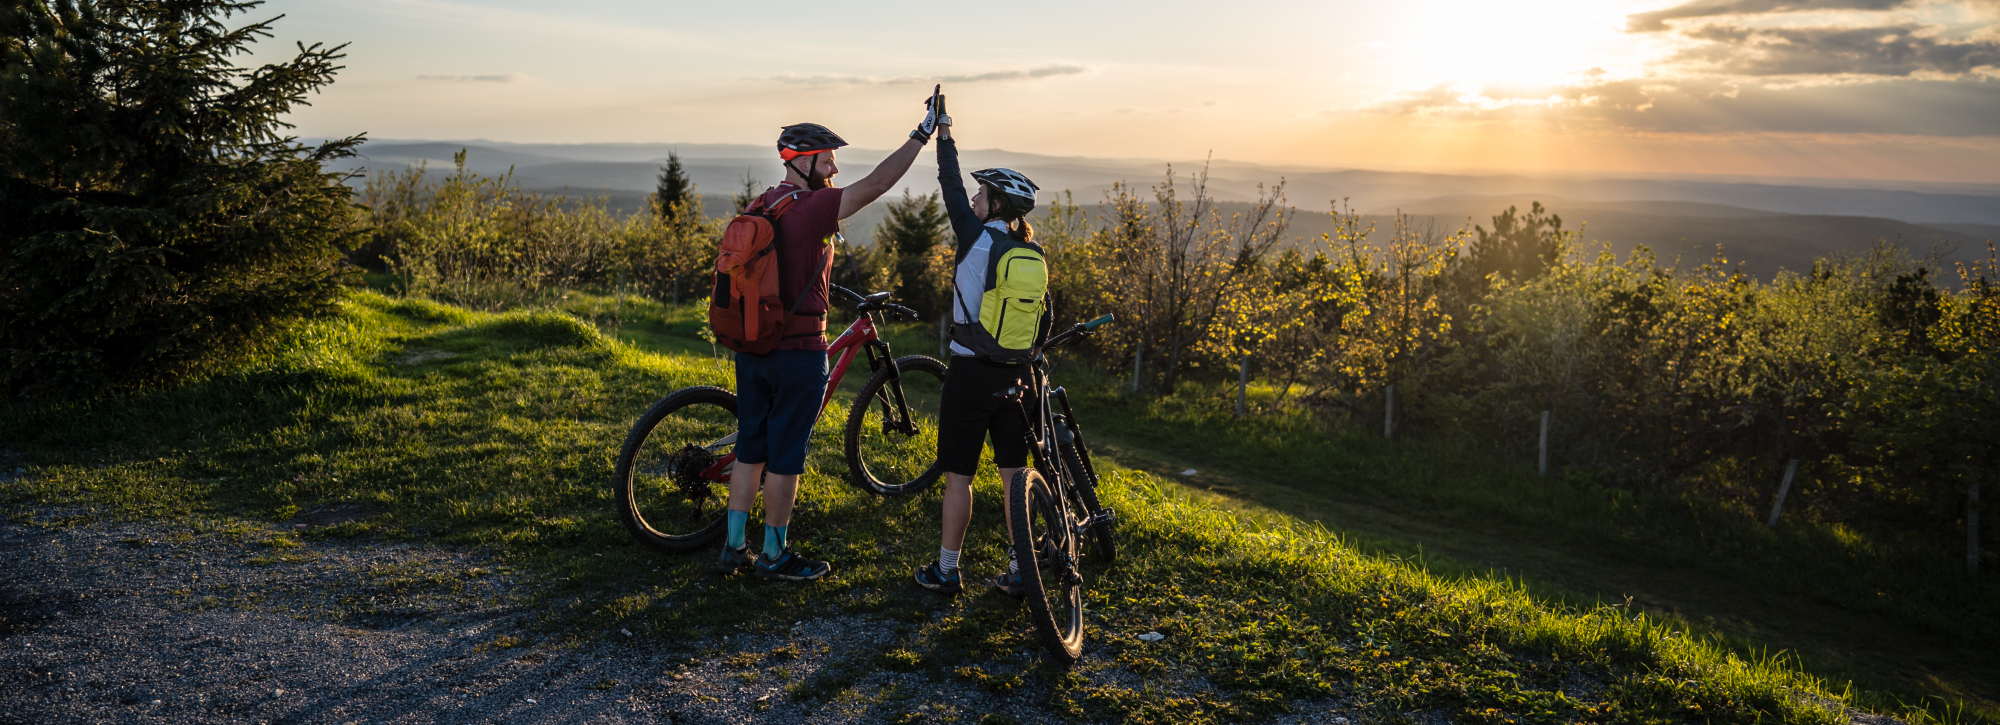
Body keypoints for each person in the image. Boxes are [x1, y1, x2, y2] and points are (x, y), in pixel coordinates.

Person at [719, 102, 946, 582]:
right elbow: (878, 184)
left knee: (750, 450)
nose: (835, 169)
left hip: (752, 348)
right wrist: (920, 136)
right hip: (798, 353)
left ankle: (733, 546)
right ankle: (775, 555)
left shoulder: (762, 204)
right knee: (785, 458)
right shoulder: (813, 206)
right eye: (827, 160)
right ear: (801, 161)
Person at [912, 112, 1051, 595]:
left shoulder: (975, 235)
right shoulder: (1030, 252)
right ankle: (1021, 569)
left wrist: (943, 133)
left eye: (981, 195)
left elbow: (948, 181)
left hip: (970, 373)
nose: (972, 199)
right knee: (1016, 478)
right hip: (1018, 376)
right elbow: (1043, 318)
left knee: (959, 478)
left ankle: (948, 569)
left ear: (993, 205)